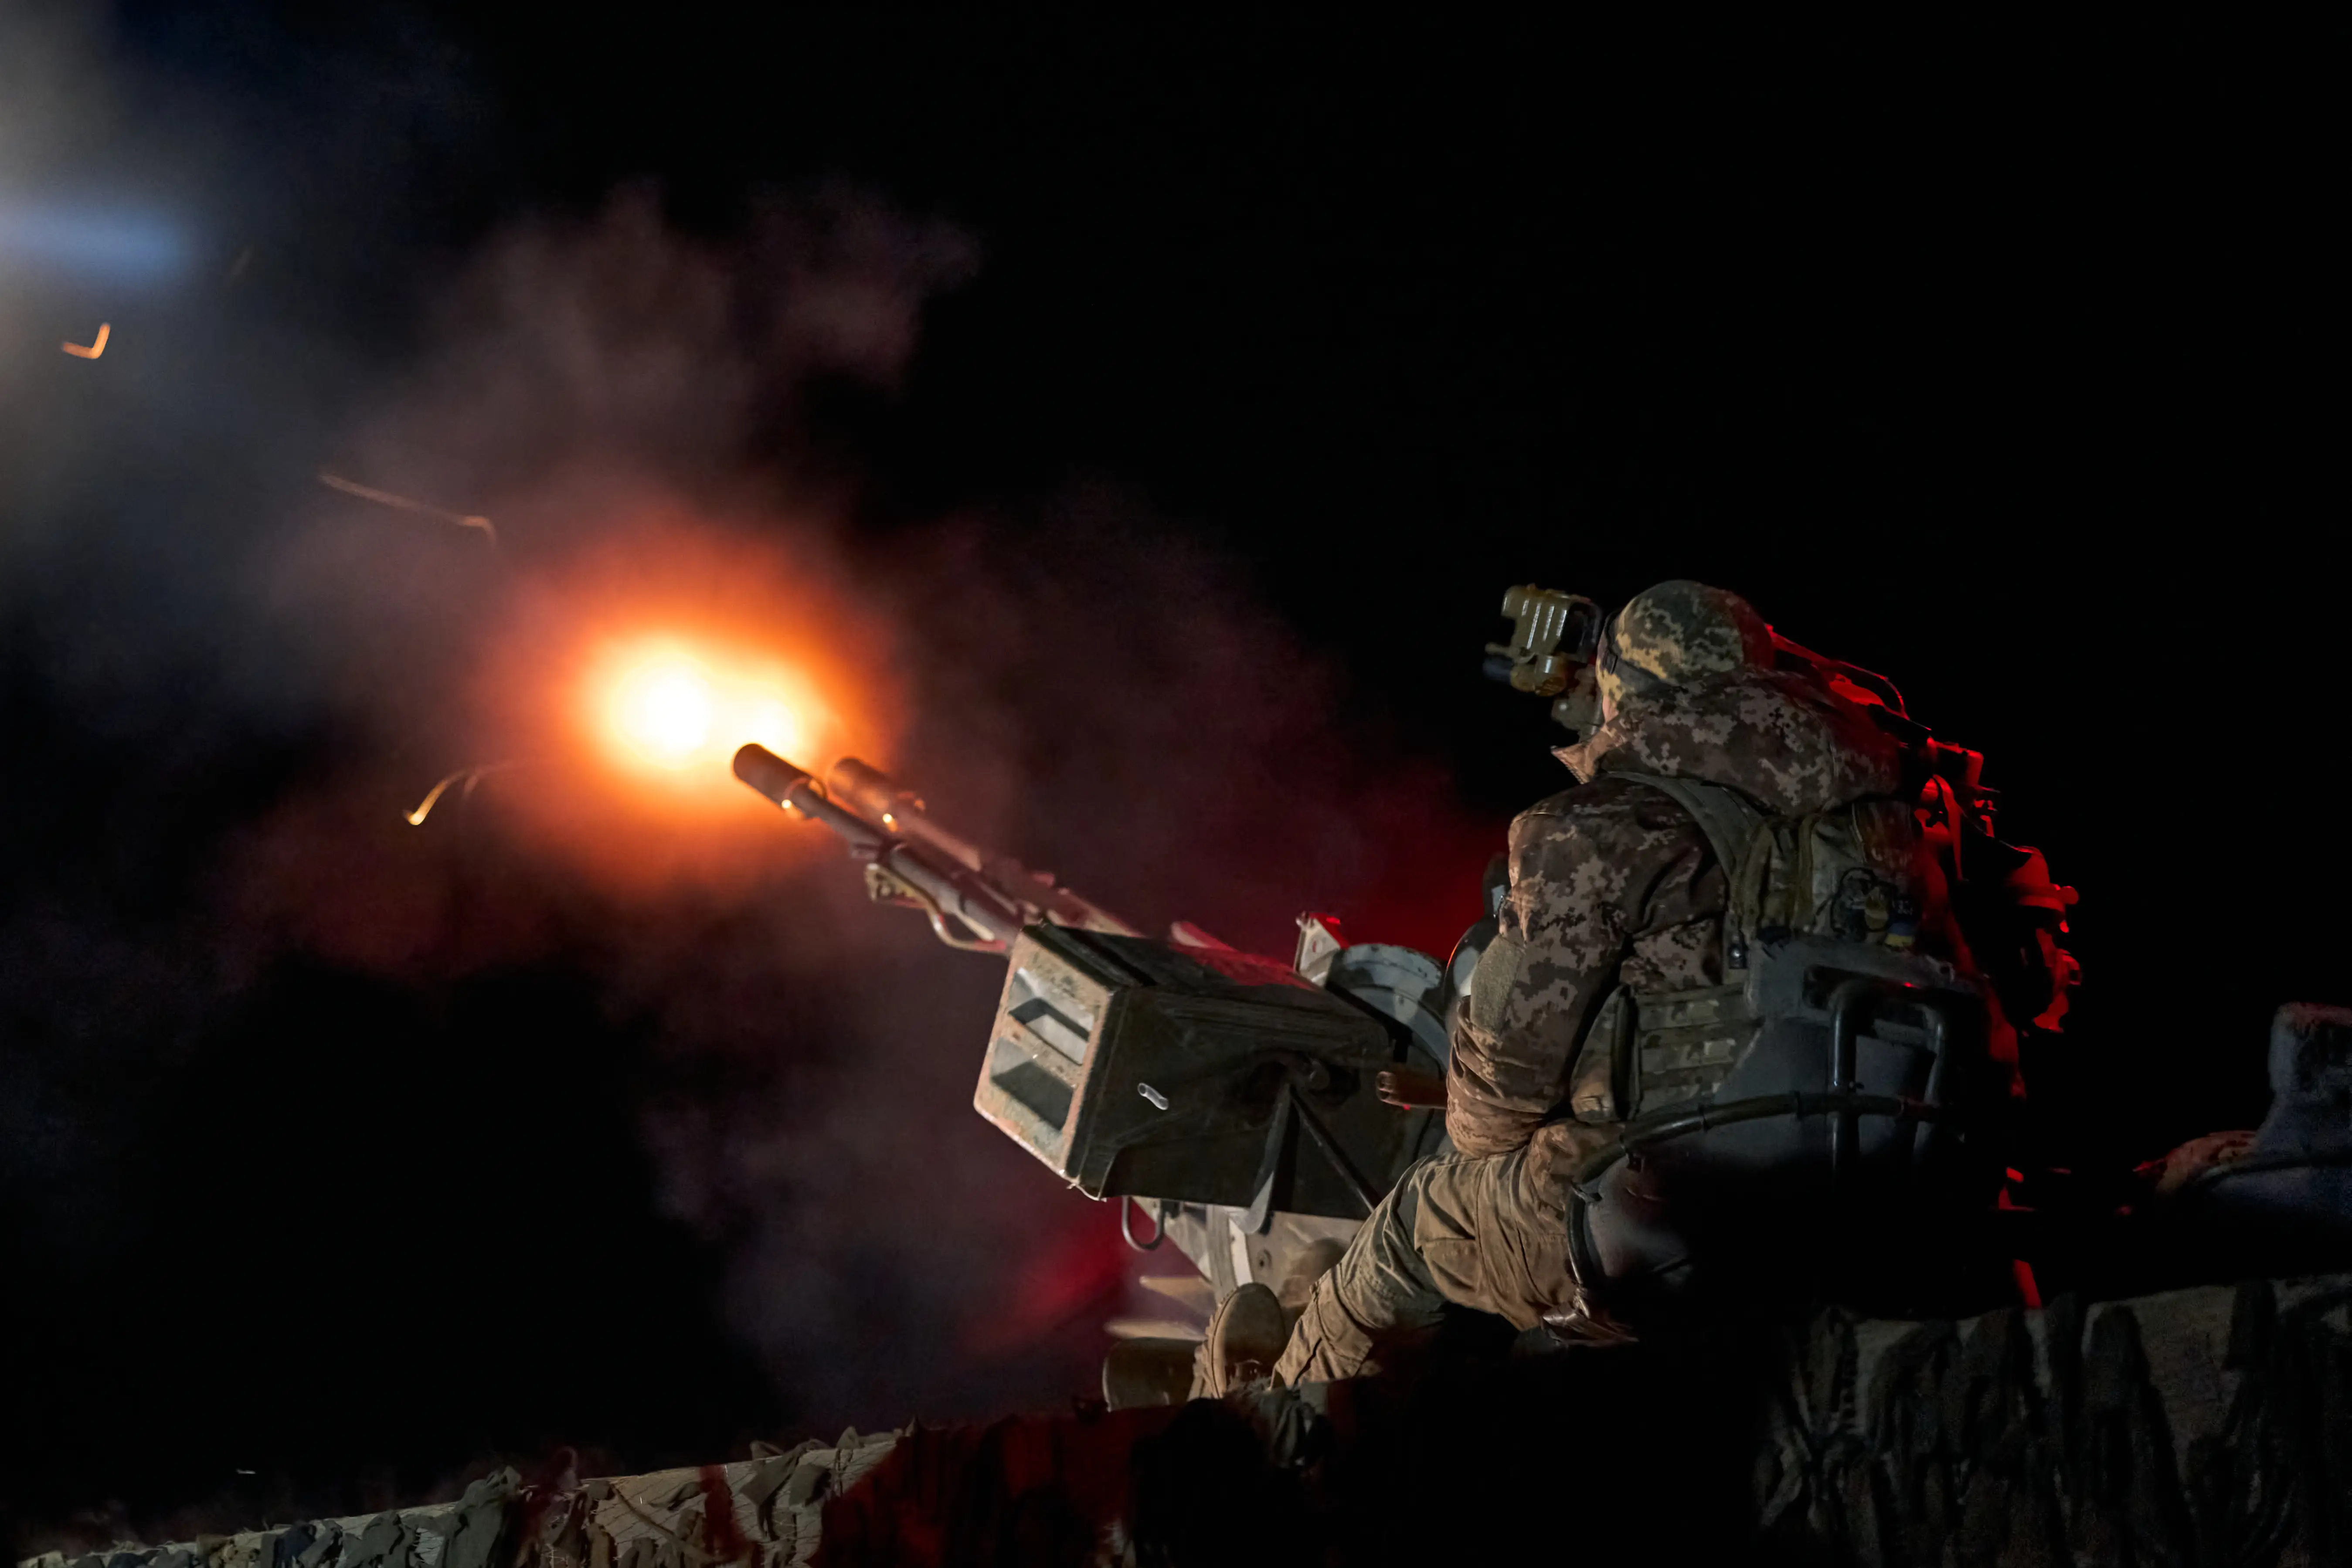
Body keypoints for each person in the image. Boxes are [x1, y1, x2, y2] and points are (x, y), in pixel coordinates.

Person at [1212, 580, 1971, 1388]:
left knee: (1410, 1226)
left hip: (1667, 1211)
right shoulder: (1884, 825)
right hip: (1865, 1204)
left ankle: (1271, 1422)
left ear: (1623, 689)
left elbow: (1492, 1104)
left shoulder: (1597, 827)